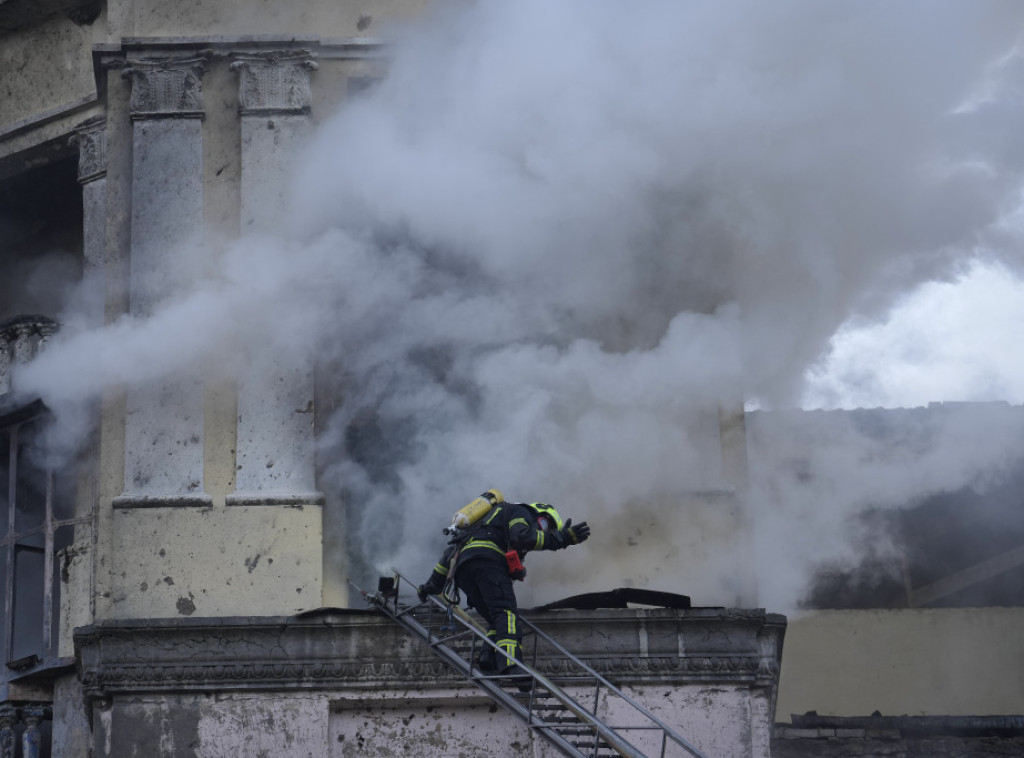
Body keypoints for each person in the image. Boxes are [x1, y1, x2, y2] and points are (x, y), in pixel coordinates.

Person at [418, 495, 591, 681]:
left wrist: (431, 585)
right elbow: (522, 536)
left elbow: (448, 555)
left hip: (464, 571)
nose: (542, 530)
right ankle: (511, 665)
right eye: (545, 524)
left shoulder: (485, 524)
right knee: (506, 614)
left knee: (495, 619)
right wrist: (561, 538)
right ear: (539, 513)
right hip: (488, 563)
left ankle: (488, 658)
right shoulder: (521, 511)